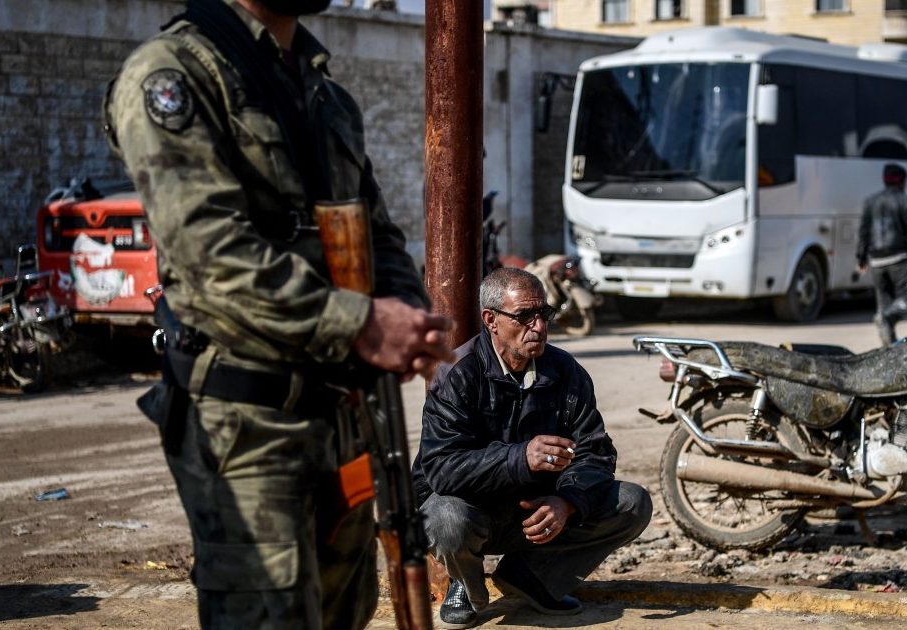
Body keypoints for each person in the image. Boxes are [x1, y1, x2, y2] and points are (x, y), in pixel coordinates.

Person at [104, 0, 454, 627]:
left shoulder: (324, 94)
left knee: (345, 610)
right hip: (251, 427)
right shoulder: (175, 74)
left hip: (344, 417)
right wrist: (363, 325)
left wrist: (407, 310)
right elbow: (213, 257)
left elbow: (375, 231)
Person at [413, 267, 652, 629]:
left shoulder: (565, 371)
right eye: (525, 316)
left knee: (633, 503)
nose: (539, 326)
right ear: (491, 320)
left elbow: (596, 452)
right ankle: (465, 583)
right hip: (471, 511)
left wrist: (568, 501)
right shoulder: (457, 374)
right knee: (445, 517)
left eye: (544, 314)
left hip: (537, 513)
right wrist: (520, 457)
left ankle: (534, 578)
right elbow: (441, 468)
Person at [857, 163, 907, 346]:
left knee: (884, 302)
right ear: (902, 181)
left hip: (876, 260)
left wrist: (861, 258)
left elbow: (863, 231)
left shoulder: (870, 202)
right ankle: (885, 317)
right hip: (899, 258)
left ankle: (889, 347)